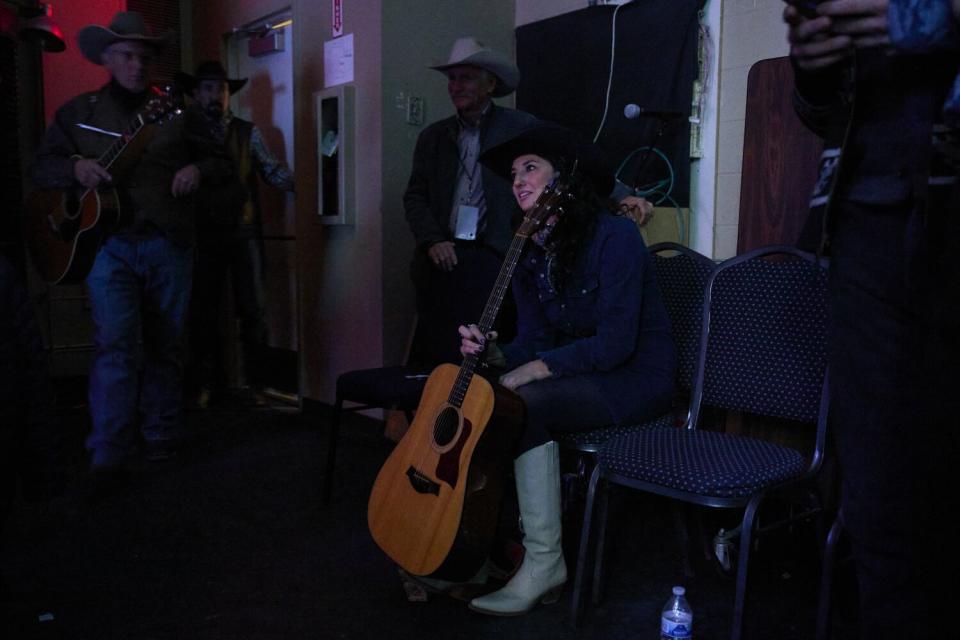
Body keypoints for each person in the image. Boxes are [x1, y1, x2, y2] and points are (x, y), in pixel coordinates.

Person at [784, 1, 960, 637]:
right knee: (881, 513)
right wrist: (814, 64)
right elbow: (827, 111)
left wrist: (931, 14)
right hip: (866, 221)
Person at [458, 123, 677, 616]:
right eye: (514, 173)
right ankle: (487, 546)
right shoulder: (531, 251)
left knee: (525, 404)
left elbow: (617, 345)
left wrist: (538, 368)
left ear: (564, 182)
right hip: (580, 375)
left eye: (530, 167)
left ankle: (544, 563)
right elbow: (535, 342)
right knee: (487, 395)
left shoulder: (616, 237)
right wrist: (494, 353)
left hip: (635, 378)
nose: (517, 180)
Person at [29, 12, 234, 478]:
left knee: (165, 343)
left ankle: (160, 432)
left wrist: (198, 170)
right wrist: (76, 168)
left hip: (168, 241)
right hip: (107, 244)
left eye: (144, 56)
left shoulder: (178, 113)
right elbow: (42, 167)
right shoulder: (79, 113)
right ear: (108, 58)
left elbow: (221, 159)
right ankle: (109, 447)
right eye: (127, 55)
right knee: (114, 345)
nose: (137, 65)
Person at [177, 60, 295, 409]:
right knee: (203, 312)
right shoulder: (185, 132)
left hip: (243, 232)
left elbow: (272, 171)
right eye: (210, 89)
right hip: (203, 233)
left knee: (254, 310)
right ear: (197, 94)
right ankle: (204, 385)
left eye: (222, 89)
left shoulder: (248, 131)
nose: (217, 95)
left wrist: (311, 185)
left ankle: (258, 384)